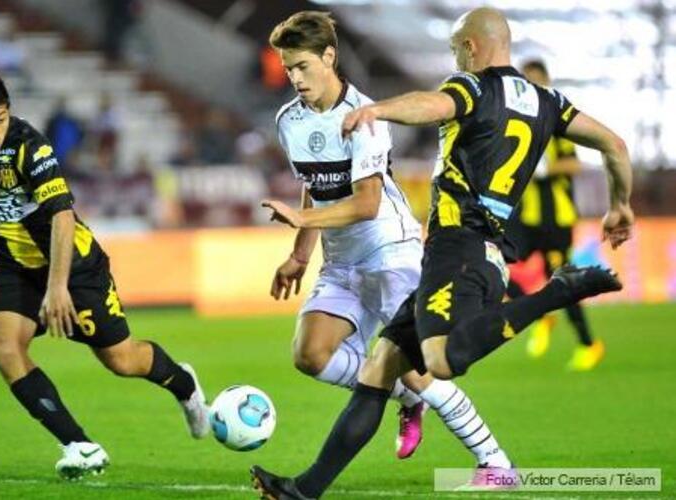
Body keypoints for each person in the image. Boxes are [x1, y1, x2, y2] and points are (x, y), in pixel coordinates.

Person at [251, 7, 633, 498]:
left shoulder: (471, 88)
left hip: (454, 246)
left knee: (440, 360)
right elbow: (615, 144)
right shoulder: (548, 102)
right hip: (459, 249)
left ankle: (555, 294)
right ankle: (303, 491)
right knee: (379, 364)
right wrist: (620, 205)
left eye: (456, 49)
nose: (454, 59)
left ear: (471, 47)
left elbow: (431, 106)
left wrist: (377, 109)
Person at [0, 72, 210, 480]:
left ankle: (183, 382)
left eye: (1, 118)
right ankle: (80, 446)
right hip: (12, 265)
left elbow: (61, 215)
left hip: (73, 265)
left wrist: (57, 287)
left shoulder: (29, 147)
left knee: (121, 359)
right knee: (0, 344)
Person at [263, 11, 512, 467]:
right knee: (309, 354)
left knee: (421, 371)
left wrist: (299, 218)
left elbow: (366, 204)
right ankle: (403, 396)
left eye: (302, 66)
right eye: (287, 68)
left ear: (329, 56)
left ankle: (494, 462)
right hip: (341, 261)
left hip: (390, 252)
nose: (294, 77)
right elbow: (314, 184)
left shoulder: (365, 117)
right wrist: (299, 255)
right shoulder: (288, 120)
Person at [507, 59, 604, 371]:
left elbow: (575, 164)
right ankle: (539, 314)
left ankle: (589, 344)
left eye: (538, 82)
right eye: (528, 82)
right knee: (496, 264)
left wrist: (546, 169)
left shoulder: (559, 121)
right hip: (527, 216)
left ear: (547, 82)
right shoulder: (519, 121)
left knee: (563, 281)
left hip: (557, 217)